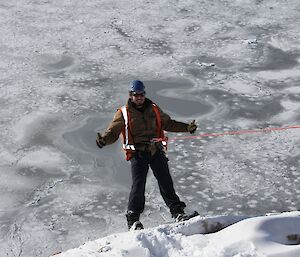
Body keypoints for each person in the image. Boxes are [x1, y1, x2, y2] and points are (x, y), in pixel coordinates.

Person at [96, 80, 197, 230]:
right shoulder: (123, 113)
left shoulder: (153, 108)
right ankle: (133, 220)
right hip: (138, 154)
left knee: (166, 182)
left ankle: (177, 213)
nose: (139, 97)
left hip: (156, 151)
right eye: (136, 95)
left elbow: (168, 123)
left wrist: (186, 128)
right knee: (138, 186)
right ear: (130, 95)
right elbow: (113, 132)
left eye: (141, 94)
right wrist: (104, 140)